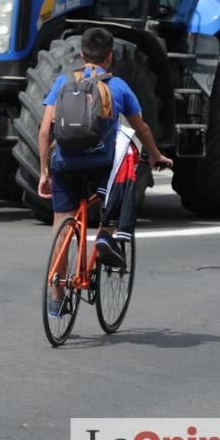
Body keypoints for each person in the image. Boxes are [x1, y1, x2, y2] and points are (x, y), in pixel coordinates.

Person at [36, 28, 172, 283]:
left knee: (62, 220)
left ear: (81, 54)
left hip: (64, 164)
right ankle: (105, 237)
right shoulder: (118, 86)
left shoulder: (62, 82)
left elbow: (45, 131)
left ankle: (56, 293)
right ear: (110, 56)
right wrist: (155, 155)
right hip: (101, 164)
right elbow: (141, 128)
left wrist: (44, 172)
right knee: (121, 186)